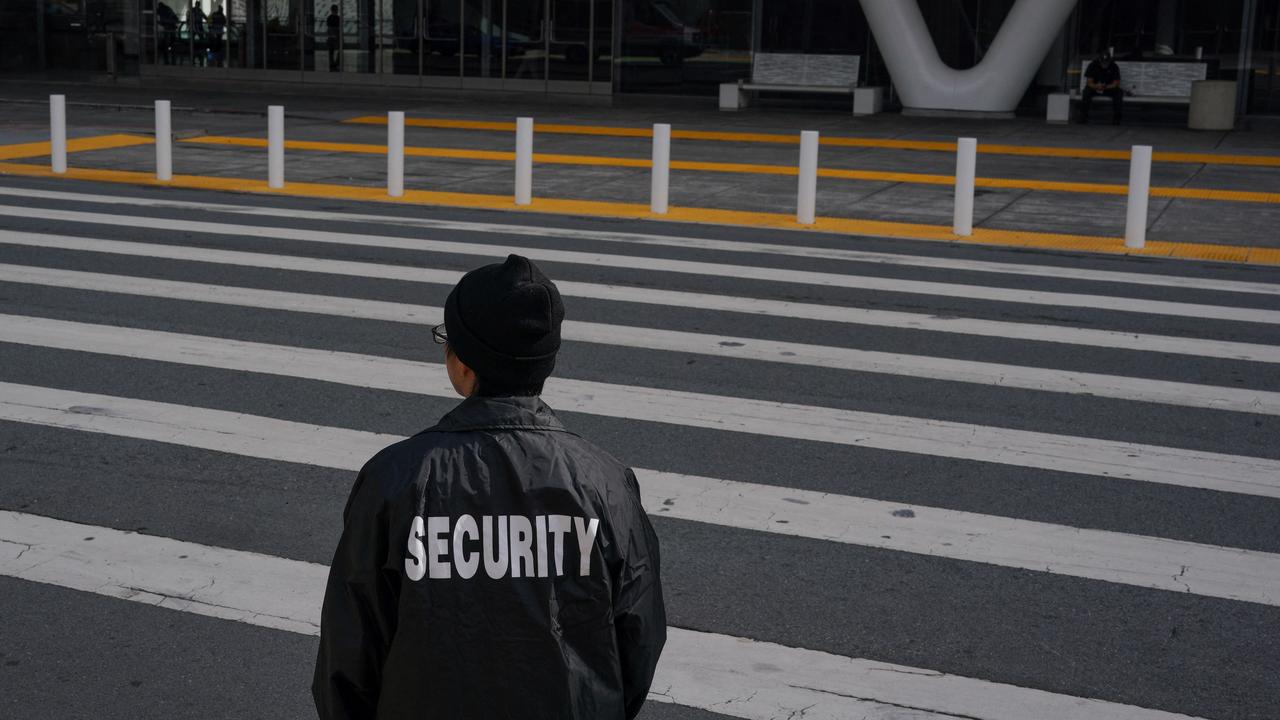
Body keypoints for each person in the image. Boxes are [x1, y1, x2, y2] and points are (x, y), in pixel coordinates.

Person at [313, 254, 667, 720]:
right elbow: (638, 639)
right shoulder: (604, 481)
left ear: (463, 364)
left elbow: (349, 653)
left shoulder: (394, 478)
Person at [1081, 52, 1123, 124]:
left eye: (1106, 62)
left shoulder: (1114, 66)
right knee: (1086, 92)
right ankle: (1083, 116)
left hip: (1109, 88)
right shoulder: (1093, 65)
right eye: (1103, 62)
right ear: (1099, 60)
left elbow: (1116, 83)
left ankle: (1117, 118)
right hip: (1095, 87)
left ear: (1110, 60)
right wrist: (1096, 86)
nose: (1104, 64)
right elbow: (1089, 82)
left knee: (1118, 93)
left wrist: (1106, 87)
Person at [326, 4, 341, 71]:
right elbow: (338, 27)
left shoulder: (329, 18)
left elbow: (329, 27)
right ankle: (336, 63)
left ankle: (332, 64)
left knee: (331, 51)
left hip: (331, 36)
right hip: (336, 35)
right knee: (338, 50)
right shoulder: (338, 18)